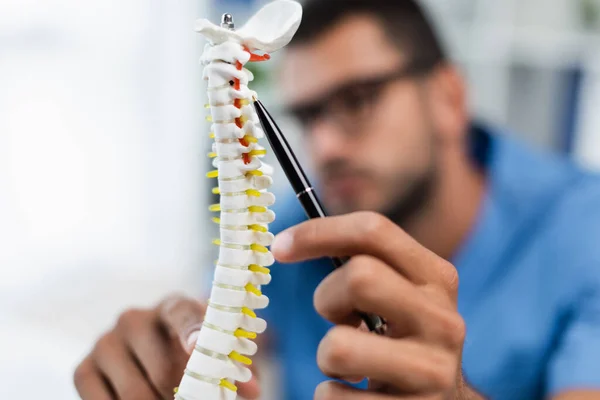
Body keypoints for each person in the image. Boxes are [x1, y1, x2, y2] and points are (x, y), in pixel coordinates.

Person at [73, 1, 600, 399]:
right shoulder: (287, 232)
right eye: (306, 116)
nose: (323, 147)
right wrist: (172, 354)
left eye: (357, 101)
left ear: (448, 97)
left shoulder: (584, 231)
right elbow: (227, 353)